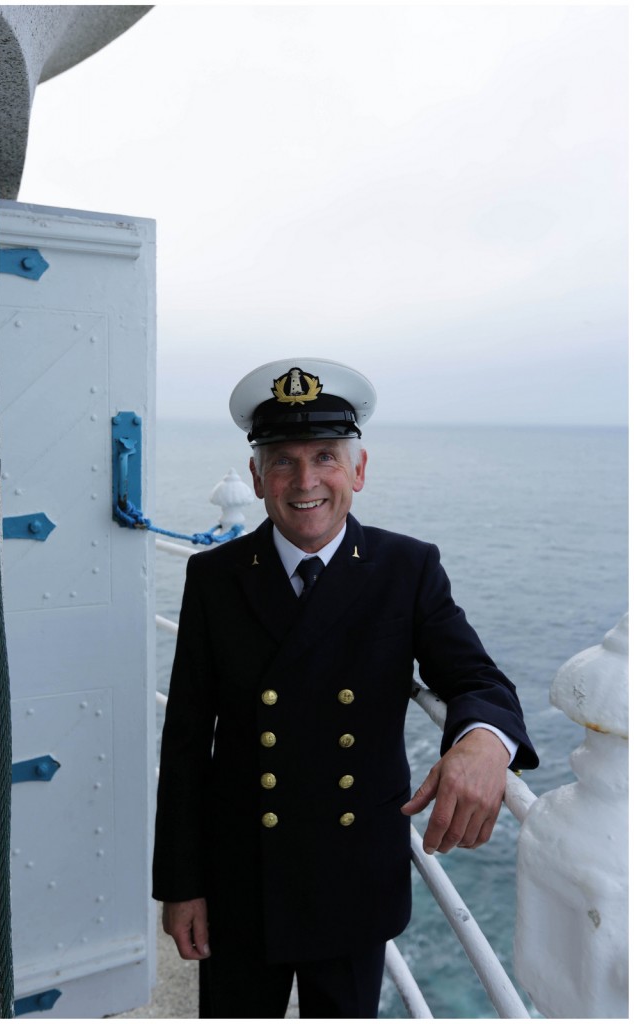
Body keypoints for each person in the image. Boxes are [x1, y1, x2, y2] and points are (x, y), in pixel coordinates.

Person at [153, 358, 538, 1019]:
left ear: (357, 471)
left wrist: (482, 742)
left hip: (352, 881)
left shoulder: (406, 569)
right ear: (256, 476)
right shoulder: (215, 579)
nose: (305, 481)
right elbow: (187, 740)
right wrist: (182, 886)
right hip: (243, 876)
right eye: (282, 460)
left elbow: (477, 678)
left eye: (326, 457)